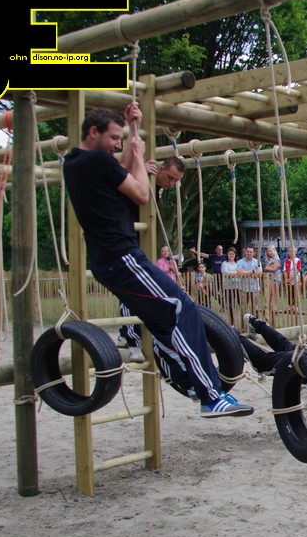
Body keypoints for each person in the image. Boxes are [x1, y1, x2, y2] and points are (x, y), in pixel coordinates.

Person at [63, 104, 251, 417]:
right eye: (113, 138)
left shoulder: (75, 161)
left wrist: (134, 129)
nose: (117, 145)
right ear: (93, 132)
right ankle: (209, 396)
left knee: (160, 322)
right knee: (182, 308)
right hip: (123, 257)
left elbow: (120, 168)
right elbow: (140, 193)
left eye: (120, 139)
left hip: (107, 261)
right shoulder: (97, 160)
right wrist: (138, 155)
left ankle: (190, 384)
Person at [237, 245, 262, 316]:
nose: (249, 253)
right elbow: (240, 273)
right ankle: (243, 322)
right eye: (247, 251)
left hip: (255, 288)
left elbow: (259, 274)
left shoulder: (257, 262)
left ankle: (255, 320)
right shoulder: (240, 262)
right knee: (243, 307)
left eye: (251, 252)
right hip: (243, 288)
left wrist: (245, 273)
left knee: (255, 307)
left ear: (253, 253)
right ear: (245, 252)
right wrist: (252, 271)